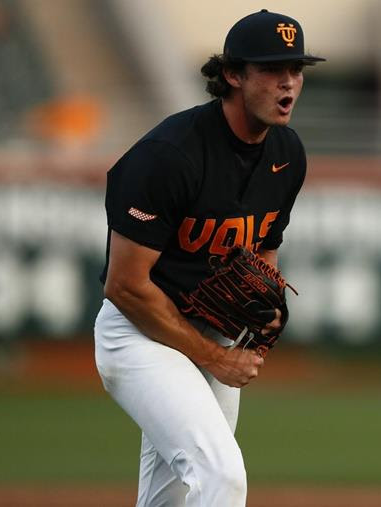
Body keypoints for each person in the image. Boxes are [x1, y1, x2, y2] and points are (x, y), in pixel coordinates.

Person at [93, 10, 323, 506]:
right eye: (271, 69)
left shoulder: (287, 152)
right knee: (221, 476)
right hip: (139, 334)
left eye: (297, 69)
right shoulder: (169, 155)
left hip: (213, 330)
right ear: (232, 75)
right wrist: (217, 358)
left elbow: (263, 250)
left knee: (174, 494)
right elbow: (124, 285)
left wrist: (265, 304)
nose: (288, 82)